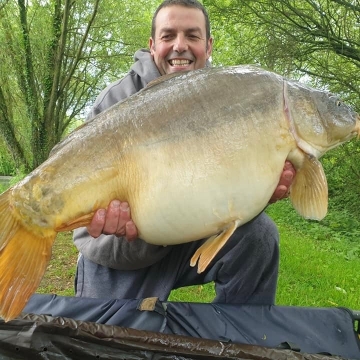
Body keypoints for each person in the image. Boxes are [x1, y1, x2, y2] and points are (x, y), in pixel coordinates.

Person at [74, 0, 295, 304]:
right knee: (106, 341)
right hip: (122, 246)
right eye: (168, 36)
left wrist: (259, 188)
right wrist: (107, 218)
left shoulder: (230, 97)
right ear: (153, 45)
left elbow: (230, 187)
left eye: (192, 36)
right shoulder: (116, 100)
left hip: (192, 230)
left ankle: (240, 340)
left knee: (260, 236)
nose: (180, 46)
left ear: (208, 45)